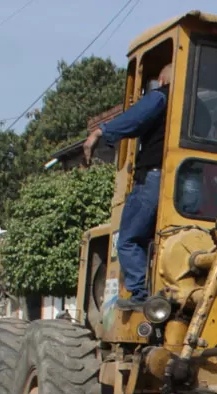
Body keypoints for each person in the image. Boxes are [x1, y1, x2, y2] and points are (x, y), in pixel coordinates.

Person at [83, 63, 173, 310]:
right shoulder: (199, 110)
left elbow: (133, 119)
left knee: (129, 239)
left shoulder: (161, 97)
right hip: (186, 184)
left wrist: (101, 132)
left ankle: (141, 294)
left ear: (163, 80)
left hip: (154, 178)